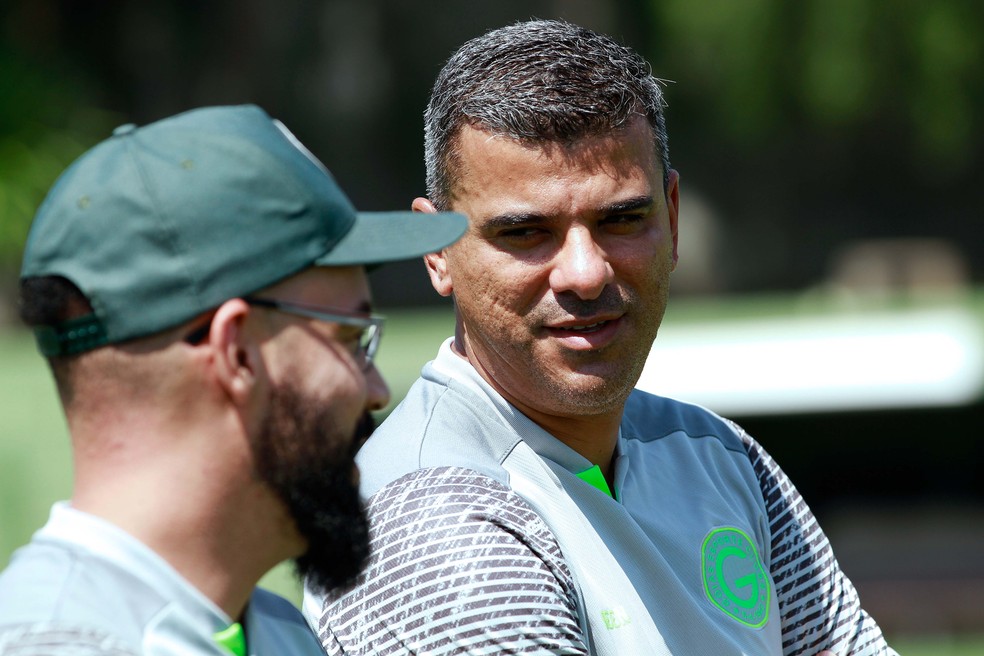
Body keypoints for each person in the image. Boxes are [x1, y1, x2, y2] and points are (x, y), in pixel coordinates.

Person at [303, 19, 898, 656]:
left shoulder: (719, 458)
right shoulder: (436, 520)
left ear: (671, 218)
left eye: (621, 219)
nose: (585, 273)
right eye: (525, 233)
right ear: (438, 251)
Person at [0, 104, 465, 655]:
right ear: (237, 353)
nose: (376, 390)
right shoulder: (58, 645)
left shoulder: (276, 631)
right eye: (350, 341)